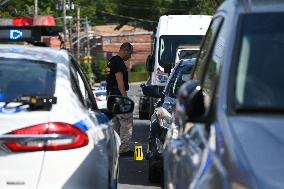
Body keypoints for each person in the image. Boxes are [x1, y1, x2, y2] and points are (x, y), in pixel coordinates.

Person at [104, 42, 134, 156]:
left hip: (111, 96)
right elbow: (119, 80)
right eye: (130, 53)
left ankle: (116, 147)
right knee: (126, 122)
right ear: (124, 50)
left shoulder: (111, 61)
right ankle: (124, 149)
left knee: (116, 122)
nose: (130, 56)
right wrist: (125, 98)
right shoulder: (118, 63)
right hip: (118, 96)